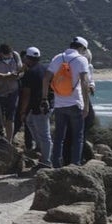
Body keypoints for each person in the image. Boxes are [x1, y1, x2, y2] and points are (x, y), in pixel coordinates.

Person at [45, 37, 92, 167]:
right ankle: (75, 165)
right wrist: (86, 106)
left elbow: (46, 79)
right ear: (82, 48)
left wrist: (44, 98)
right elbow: (84, 83)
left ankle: (55, 165)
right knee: (78, 137)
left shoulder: (57, 58)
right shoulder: (81, 60)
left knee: (59, 137)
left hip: (59, 104)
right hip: (75, 103)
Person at [18, 47, 51, 169]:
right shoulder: (45, 69)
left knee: (44, 134)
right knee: (30, 121)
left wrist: (22, 111)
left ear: (27, 58)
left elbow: (26, 95)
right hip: (47, 104)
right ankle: (40, 147)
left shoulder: (30, 73)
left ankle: (46, 161)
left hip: (39, 106)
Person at [0, 43, 22, 143]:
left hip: (12, 92)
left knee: (10, 118)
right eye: (5, 56)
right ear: (0, 54)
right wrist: (4, 77)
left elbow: (21, 70)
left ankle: (9, 141)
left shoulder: (16, 56)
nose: (8, 57)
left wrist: (16, 75)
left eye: (9, 55)